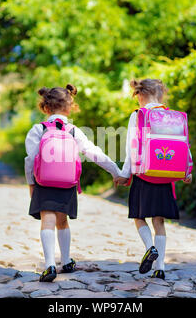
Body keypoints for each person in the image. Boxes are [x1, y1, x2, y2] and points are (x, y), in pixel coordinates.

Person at [25, 84, 121, 282]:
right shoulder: (73, 131)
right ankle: (66, 260)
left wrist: (31, 184)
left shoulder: (38, 129)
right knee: (62, 221)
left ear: (45, 107)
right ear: (70, 107)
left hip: (44, 182)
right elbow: (93, 153)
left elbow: (30, 159)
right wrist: (116, 171)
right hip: (67, 183)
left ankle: (50, 264)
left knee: (47, 221)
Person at [115, 79, 193, 279]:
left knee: (139, 217)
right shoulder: (173, 116)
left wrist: (125, 174)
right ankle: (160, 269)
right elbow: (184, 143)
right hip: (166, 176)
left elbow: (131, 148)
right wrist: (187, 169)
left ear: (139, 95)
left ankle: (150, 248)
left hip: (144, 175)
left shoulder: (138, 115)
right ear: (161, 94)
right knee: (159, 222)